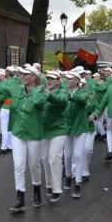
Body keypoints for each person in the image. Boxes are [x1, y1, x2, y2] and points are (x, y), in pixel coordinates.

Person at [0, 66, 47, 213]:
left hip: (34, 133)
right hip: (17, 132)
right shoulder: (15, 89)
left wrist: (36, 90)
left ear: (34, 77)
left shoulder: (41, 92)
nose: (21, 76)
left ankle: (36, 190)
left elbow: (37, 103)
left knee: (34, 165)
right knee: (19, 165)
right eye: (21, 74)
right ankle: (20, 198)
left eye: (26, 75)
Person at [41, 70, 68, 202]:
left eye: (52, 78)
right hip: (45, 130)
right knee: (45, 158)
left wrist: (46, 94)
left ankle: (57, 189)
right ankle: (49, 185)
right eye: (47, 78)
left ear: (58, 81)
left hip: (59, 129)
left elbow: (60, 101)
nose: (49, 80)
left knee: (54, 158)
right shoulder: (43, 92)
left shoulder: (63, 92)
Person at [63, 71, 89, 198]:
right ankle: (68, 175)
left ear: (77, 81)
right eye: (67, 78)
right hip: (67, 127)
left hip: (80, 127)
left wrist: (68, 96)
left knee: (78, 155)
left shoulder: (83, 91)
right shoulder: (63, 91)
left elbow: (82, 100)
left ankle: (77, 183)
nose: (68, 80)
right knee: (67, 156)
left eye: (71, 79)